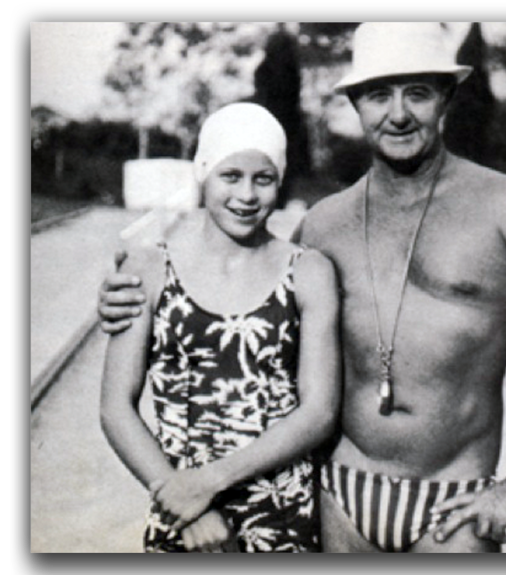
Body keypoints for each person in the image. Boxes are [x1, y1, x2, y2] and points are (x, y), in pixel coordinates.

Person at [98, 22, 506, 553]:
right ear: (354, 102)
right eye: (378, 95)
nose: (397, 114)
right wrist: (127, 292)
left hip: (451, 505)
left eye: (417, 92)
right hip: (335, 500)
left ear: (446, 97)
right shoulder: (325, 223)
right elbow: (241, 289)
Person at [99, 103, 341, 553]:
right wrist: (184, 503)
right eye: (231, 176)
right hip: (183, 519)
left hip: (282, 516)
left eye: (263, 178)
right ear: (203, 174)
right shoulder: (149, 268)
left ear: (280, 180)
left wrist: (205, 484)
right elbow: (116, 407)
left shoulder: (308, 271)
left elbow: (319, 411)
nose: (247, 194)